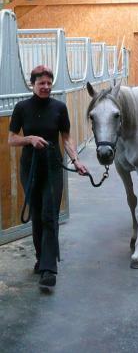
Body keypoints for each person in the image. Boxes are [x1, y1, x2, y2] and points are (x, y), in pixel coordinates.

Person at [8, 65, 88, 290]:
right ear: (32, 84)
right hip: (31, 167)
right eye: (41, 83)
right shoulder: (21, 108)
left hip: (53, 165)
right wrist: (30, 139)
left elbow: (67, 138)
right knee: (36, 214)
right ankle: (41, 257)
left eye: (48, 83)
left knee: (49, 214)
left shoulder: (60, 108)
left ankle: (48, 269)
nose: (45, 87)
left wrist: (76, 161)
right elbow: (11, 139)